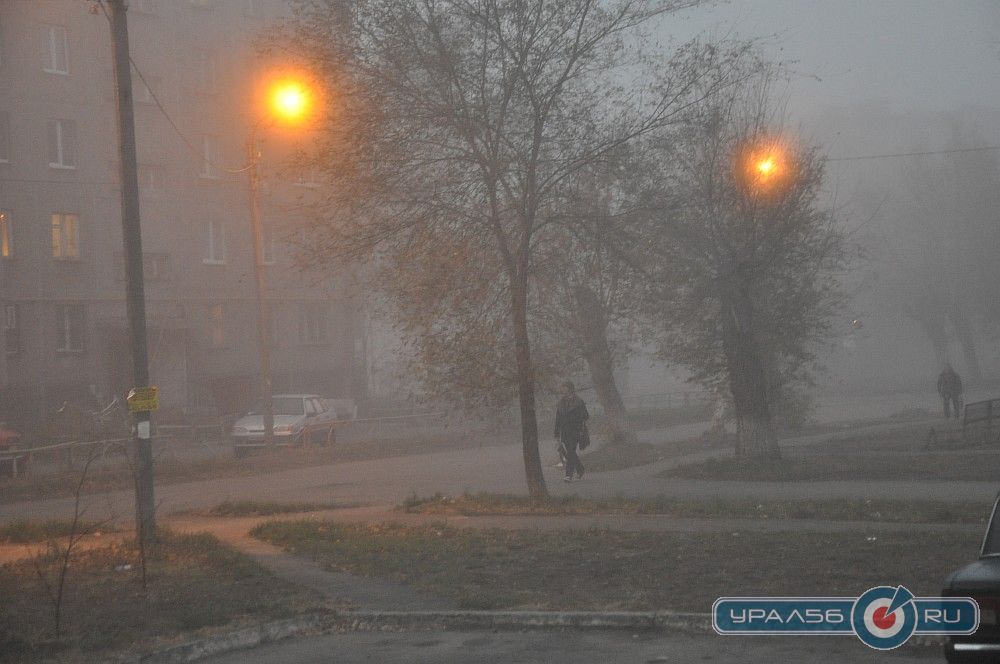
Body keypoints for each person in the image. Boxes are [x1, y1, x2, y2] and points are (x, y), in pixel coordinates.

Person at [554, 381, 588, 482]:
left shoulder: (579, 401)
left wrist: (577, 419)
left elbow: (586, 415)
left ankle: (568, 475)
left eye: (564, 387)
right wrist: (556, 434)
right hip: (565, 432)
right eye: (562, 388)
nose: (563, 389)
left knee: (571, 451)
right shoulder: (561, 403)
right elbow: (558, 419)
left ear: (570, 389)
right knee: (571, 452)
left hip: (575, 430)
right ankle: (580, 469)